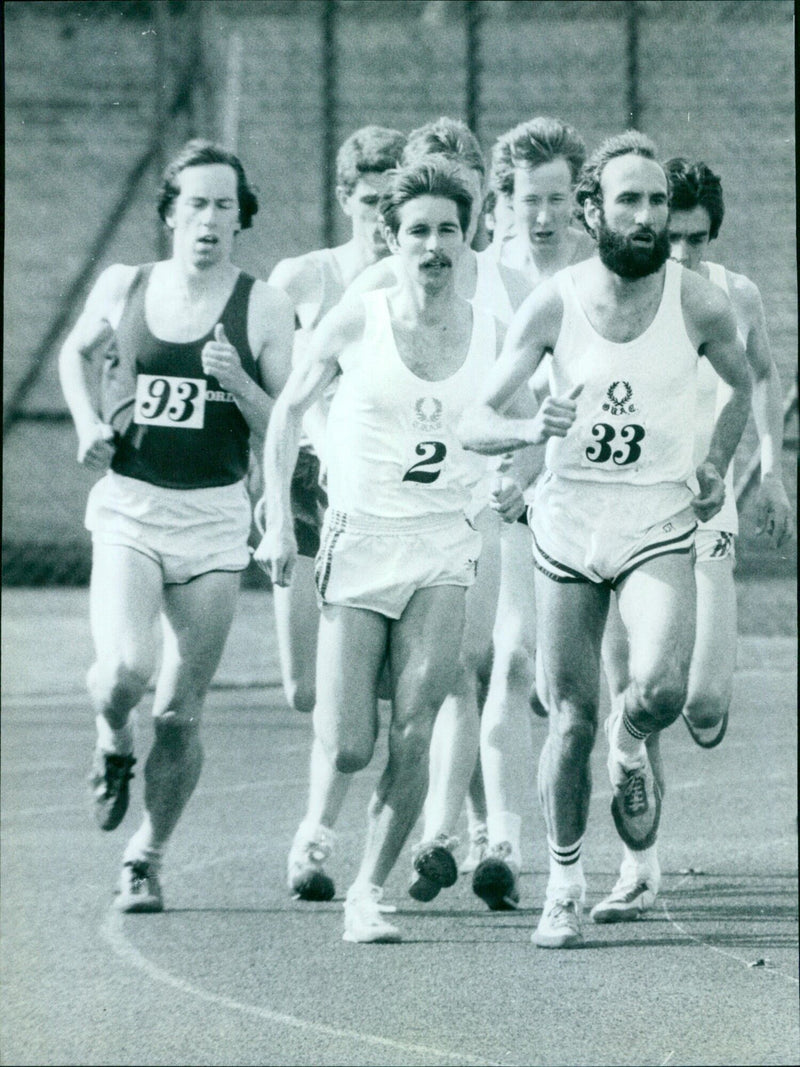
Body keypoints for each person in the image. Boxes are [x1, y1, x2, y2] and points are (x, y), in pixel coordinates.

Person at [458, 131, 752, 949]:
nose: (648, 215)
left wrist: (718, 461)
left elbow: (744, 380)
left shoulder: (696, 301)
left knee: (657, 692)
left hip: (658, 518)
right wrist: (528, 423)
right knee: (570, 718)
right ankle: (561, 886)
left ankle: (631, 750)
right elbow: (476, 417)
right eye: (630, 199)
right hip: (569, 526)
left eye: (658, 201)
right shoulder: (555, 302)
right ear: (593, 210)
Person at [255, 159, 521, 942]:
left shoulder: (493, 333)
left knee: (418, 716)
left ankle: (368, 891)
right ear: (391, 239)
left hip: (444, 544)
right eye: (417, 232)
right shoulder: (356, 319)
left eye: (447, 229)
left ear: (466, 233)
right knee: (348, 744)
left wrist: (518, 476)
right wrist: (276, 519)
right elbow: (285, 415)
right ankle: (363, 694)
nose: (433, 246)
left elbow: (533, 421)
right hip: (360, 541)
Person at [58, 140, 294, 912]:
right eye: (196, 203)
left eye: (225, 205)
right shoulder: (125, 282)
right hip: (131, 506)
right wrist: (88, 418)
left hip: (214, 521)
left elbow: (285, 425)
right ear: (170, 213)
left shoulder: (262, 305)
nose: (210, 219)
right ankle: (111, 739)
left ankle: (146, 855)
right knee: (124, 670)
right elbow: (75, 353)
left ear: (241, 217)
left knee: (179, 710)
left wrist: (236, 381)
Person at [590, 157, 793, 924]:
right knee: (638, 698)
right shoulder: (623, 294)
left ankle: (661, 738)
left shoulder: (733, 295)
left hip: (706, 508)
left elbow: (764, 376)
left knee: (702, 707)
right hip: (631, 515)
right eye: (672, 237)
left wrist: (769, 472)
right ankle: (639, 864)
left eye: (698, 239)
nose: (683, 254)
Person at [264, 127, 407, 903]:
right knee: (303, 690)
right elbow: (274, 396)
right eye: (371, 198)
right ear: (346, 197)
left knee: (376, 682)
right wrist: (275, 484)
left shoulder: (416, 273)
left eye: (397, 198)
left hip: (376, 491)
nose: (384, 212)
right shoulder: (303, 278)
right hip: (308, 482)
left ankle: (317, 835)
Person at [471, 117, 597, 912]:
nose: (542, 215)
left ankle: (622, 817)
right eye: (527, 200)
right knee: (511, 661)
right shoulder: (486, 279)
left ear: (579, 202)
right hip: (510, 495)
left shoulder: (602, 278)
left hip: (589, 501)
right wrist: (505, 469)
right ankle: (503, 841)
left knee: (588, 685)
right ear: (505, 202)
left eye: (556, 199)